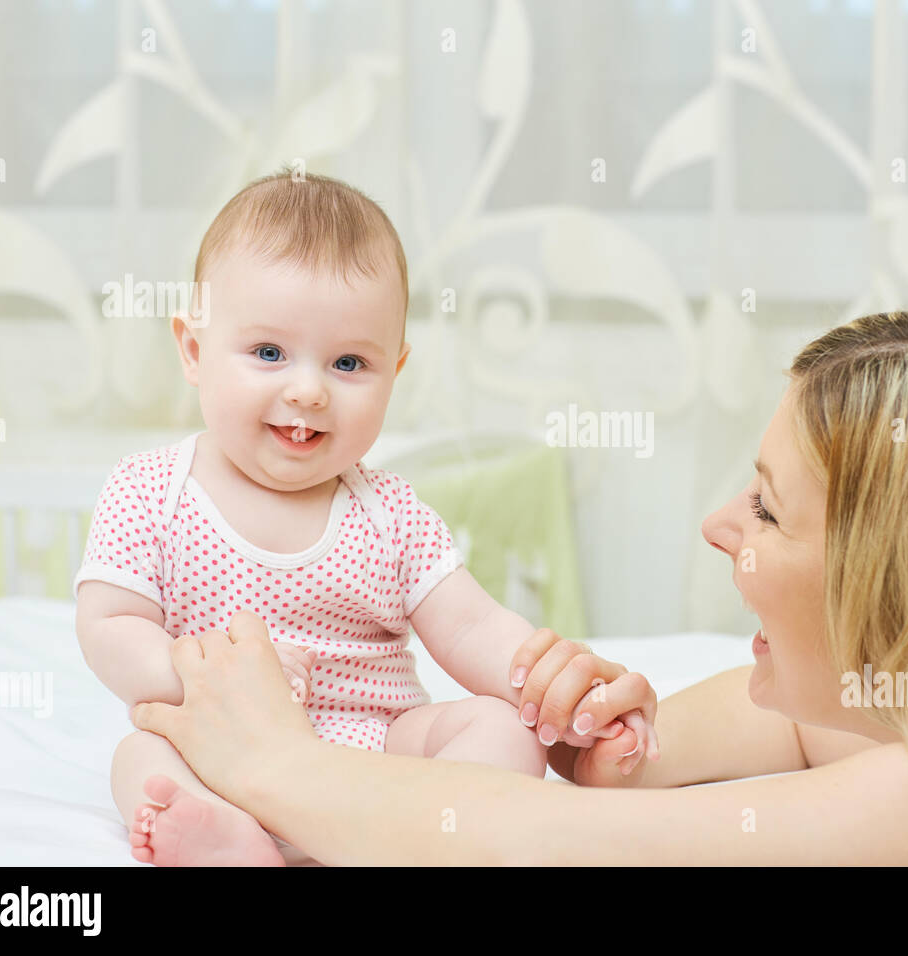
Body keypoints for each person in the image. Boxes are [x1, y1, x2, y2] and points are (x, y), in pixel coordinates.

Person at [132, 310, 908, 865]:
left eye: (765, 507)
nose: (717, 525)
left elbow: (542, 851)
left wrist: (273, 758)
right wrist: (579, 731)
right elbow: (623, 772)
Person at [74, 169, 658, 867]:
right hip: (223, 746)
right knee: (143, 755)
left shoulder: (391, 515)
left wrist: (560, 697)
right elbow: (110, 625)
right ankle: (230, 842)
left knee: (504, 730)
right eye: (268, 353)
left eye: (349, 362)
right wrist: (196, 676)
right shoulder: (152, 492)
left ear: (395, 371)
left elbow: (473, 627)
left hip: (381, 761)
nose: (309, 389)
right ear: (194, 350)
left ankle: (413, 842)